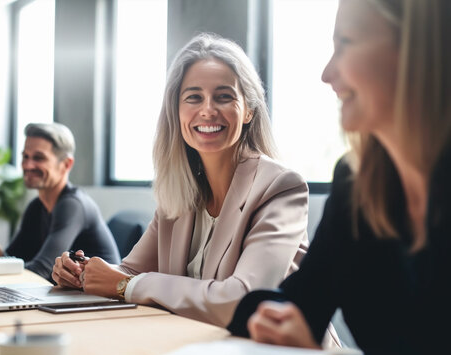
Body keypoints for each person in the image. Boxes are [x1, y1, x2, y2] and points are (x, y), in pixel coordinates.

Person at [227, 0, 451, 355]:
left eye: (345, 43)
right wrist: (272, 317)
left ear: (416, 48)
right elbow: (305, 299)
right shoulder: (357, 183)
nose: (327, 74)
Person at [52, 33, 310, 328]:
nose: (208, 110)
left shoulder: (280, 188)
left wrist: (125, 286)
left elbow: (244, 299)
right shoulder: (179, 191)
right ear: (176, 110)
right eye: (194, 97)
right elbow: (128, 273)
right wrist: (83, 273)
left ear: (249, 109)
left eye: (224, 96)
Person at [0, 123, 120, 282]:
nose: (27, 165)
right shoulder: (37, 207)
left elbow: (42, 271)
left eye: (38, 158)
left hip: (99, 301)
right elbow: (15, 263)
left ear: (66, 164)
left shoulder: (72, 205)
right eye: (25, 156)